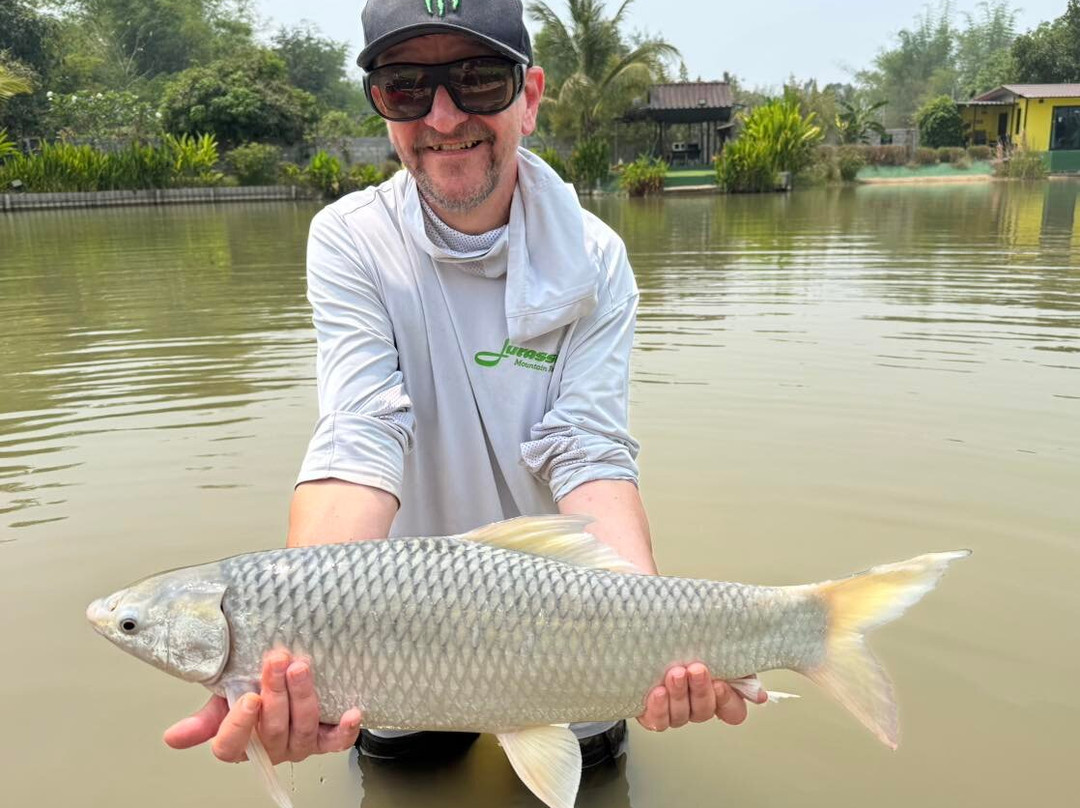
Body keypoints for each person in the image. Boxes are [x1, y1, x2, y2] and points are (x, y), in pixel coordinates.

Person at [162, 0, 766, 771]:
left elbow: (588, 450)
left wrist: (647, 626)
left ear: (531, 95)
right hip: (399, 636)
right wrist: (291, 653)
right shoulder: (350, 242)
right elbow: (362, 431)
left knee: (590, 778)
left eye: (478, 79)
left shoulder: (596, 256)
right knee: (401, 780)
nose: (443, 116)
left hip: (565, 612)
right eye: (406, 87)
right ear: (383, 108)